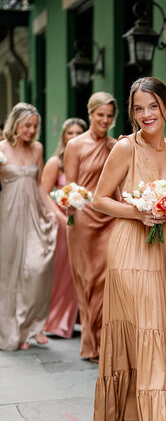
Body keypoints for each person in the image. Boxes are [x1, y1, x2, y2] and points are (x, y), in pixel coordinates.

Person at [93, 77, 166, 421]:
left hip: (165, 248)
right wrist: (138, 212)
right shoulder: (124, 147)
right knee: (151, 333)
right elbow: (101, 198)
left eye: (152, 106)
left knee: (156, 335)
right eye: (138, 108)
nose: (146, 115)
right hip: (131, 251)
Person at [64, 92, 117, 361]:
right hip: (83, 218)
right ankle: (90, 344)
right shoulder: (75, 145)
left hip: (109, 218)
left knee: (106, 279)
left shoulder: (116, 145)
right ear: (90, 113)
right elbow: (70, 186)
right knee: (88, 281)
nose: (105, 120)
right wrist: (71, 206)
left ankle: (103, 342)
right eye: (100, 115)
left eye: (109, 116)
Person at [0, 103, 56, 351]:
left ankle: (30, 325)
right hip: (8, 215)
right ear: (15, 124)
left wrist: (53, 212)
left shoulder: (37, 149)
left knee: (35, 267)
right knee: (9, 273)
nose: (31, 130)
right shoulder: (1, 149)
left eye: (35, 126)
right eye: (27, 125)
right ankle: (13, 332)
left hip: (33, 214)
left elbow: (40, 186)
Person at [41, 118, 87, 338]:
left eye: (79, 132)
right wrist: (58, 216)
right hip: (62, 222)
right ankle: (57, 320)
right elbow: (43, 192)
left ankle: (79, 317)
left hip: (86, 221)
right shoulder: (55, 163)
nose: (75, 136)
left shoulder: (87, 162)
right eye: (70, 132)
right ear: (64, 136)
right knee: (64, 270)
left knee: (83, 270)